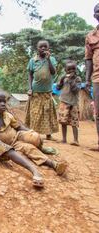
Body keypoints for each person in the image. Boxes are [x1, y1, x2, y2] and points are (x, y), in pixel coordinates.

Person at [0, 90, 67, 176]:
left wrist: (30, 132)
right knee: (29, 148)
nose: (3, 104)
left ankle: (42, 148)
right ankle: (53, 164)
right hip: (7, 146)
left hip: (17, 136)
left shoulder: (7, 115)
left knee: (35, 136)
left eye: (4, 102)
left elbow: (18, 127)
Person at [25, 40, 59, 140]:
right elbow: (30, 75)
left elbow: (53, 72)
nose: (43, 48)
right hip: (36, 92)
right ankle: (35, 135)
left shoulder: (52, 59)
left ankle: (48, 135)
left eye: (45, 47)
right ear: (37, 48)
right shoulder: (32, 60)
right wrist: (30, 88)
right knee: (35, 113)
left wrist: (48, 59)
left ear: (48, 49)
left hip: (47, 92)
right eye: (41, 47)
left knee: (47, 114)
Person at [56, 60, 82, 146]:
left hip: (73, 104)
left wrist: (71, 81)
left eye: (73, 69)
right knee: (63, 122)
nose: (71, 71)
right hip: (64, 102)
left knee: (74, 122)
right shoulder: (63, 78)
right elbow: (58, 88)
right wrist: (62, 79)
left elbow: (76, 90)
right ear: (65, 70)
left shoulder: (78, 79)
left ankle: (76, 140)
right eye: (69, 69)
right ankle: (64, 139)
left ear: (76, 69)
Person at [85, 3, 99, 151]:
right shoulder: (90, 36)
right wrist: (87, 79)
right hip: (97, 78)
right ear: (94, 16)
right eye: (97, 11)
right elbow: (88, 59)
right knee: (98, 111)